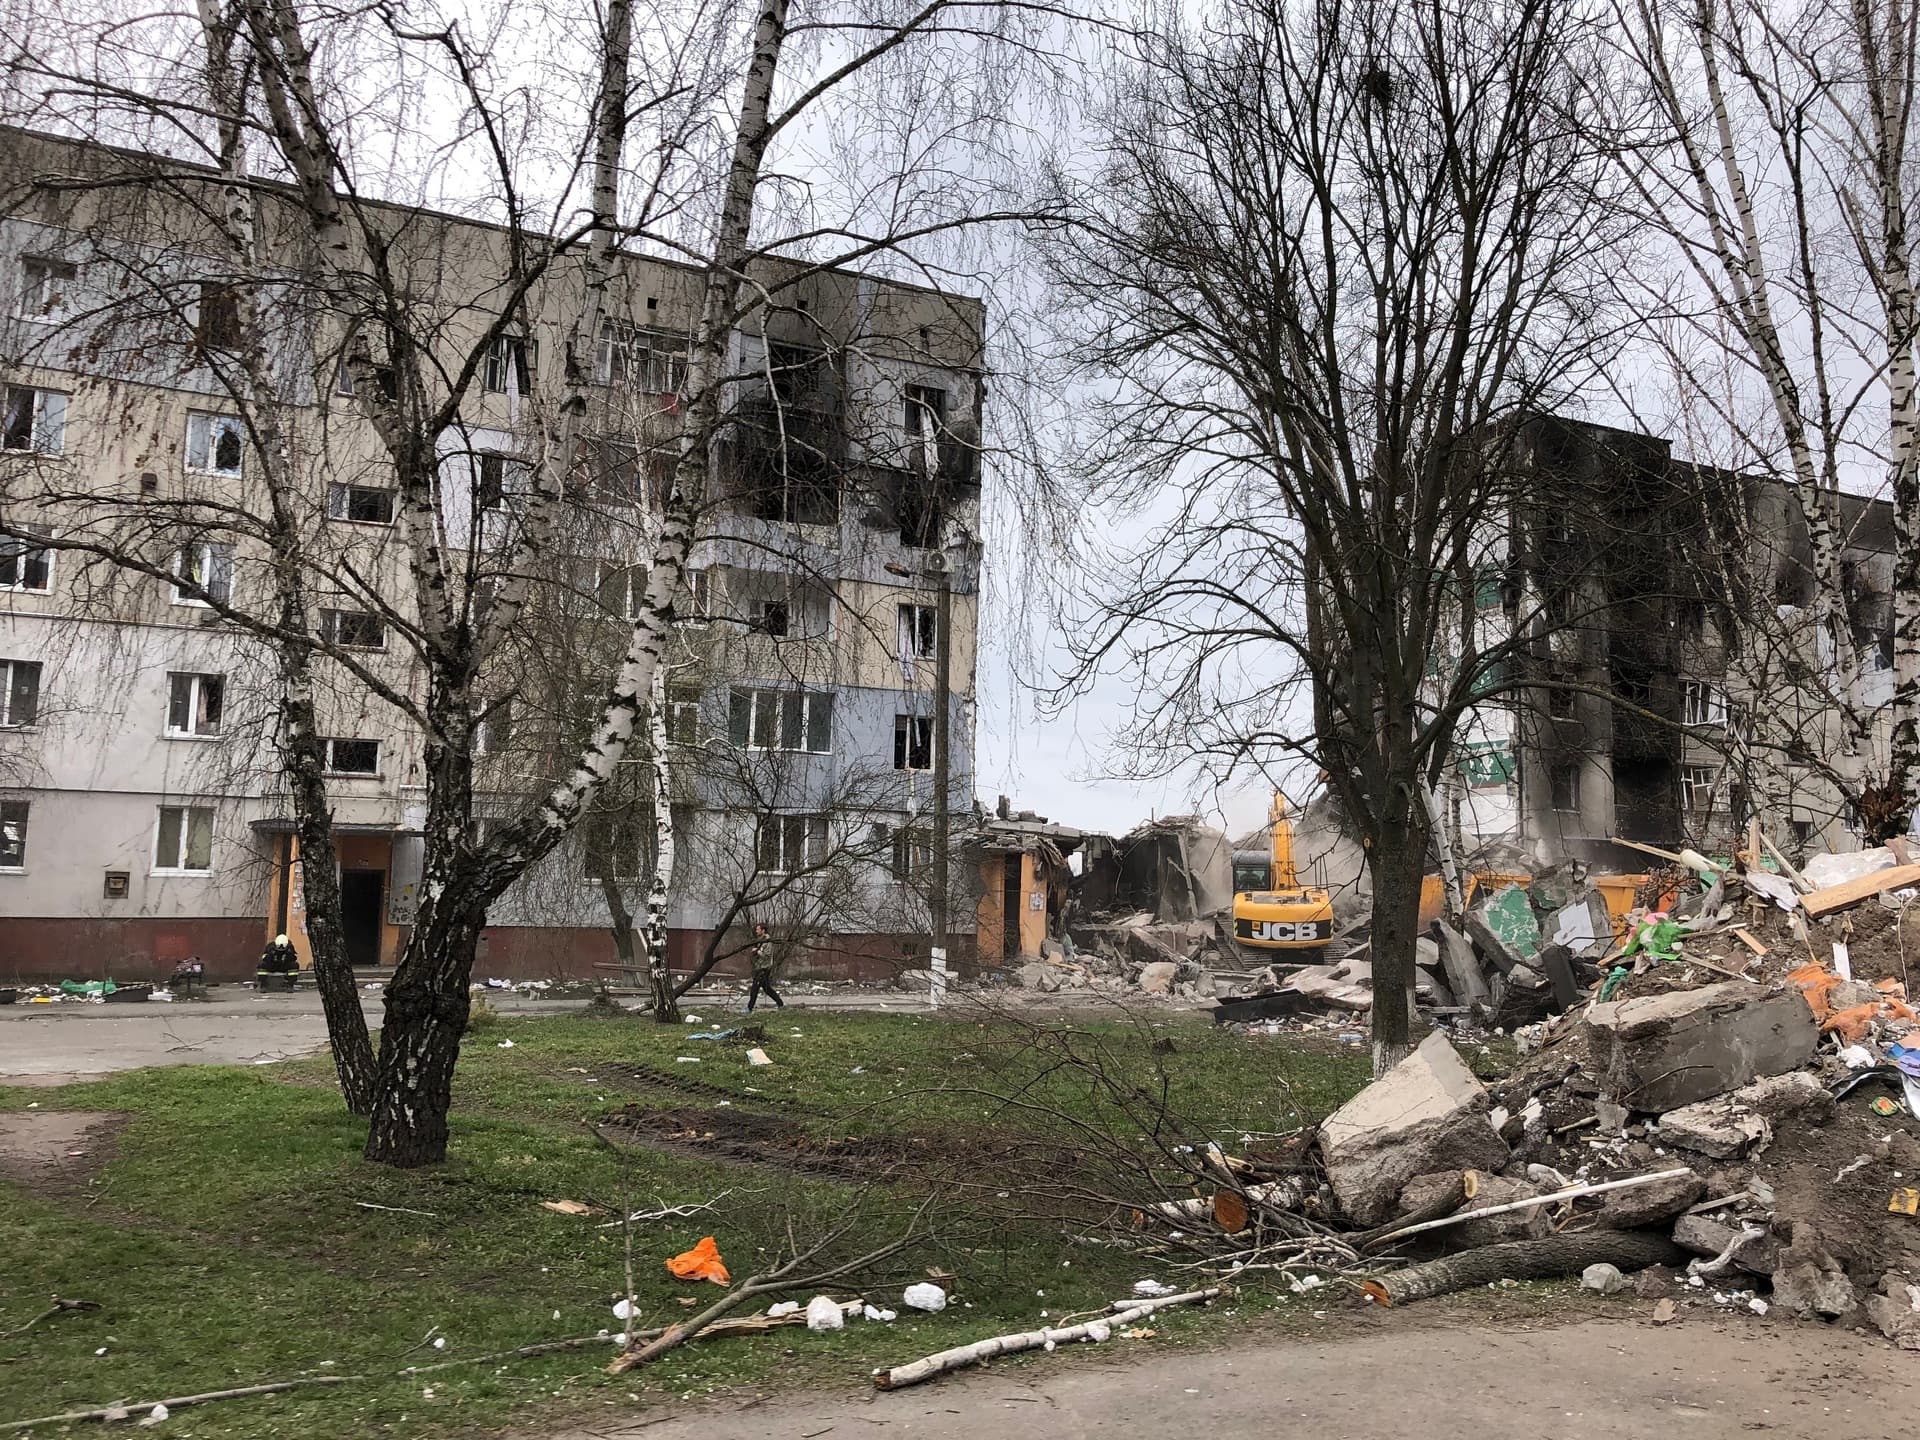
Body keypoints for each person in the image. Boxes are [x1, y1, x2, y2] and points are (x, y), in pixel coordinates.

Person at [745, 922, 785, 1013]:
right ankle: (780, 1004)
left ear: (763, 931)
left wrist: (757, 951)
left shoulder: (768, 941)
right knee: (767, 989)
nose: (756, 931)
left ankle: (749, 1008)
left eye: (758, 929)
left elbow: (767, 955)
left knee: (755, 988)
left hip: (764, 968)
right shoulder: (760, 940)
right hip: (759, 967)